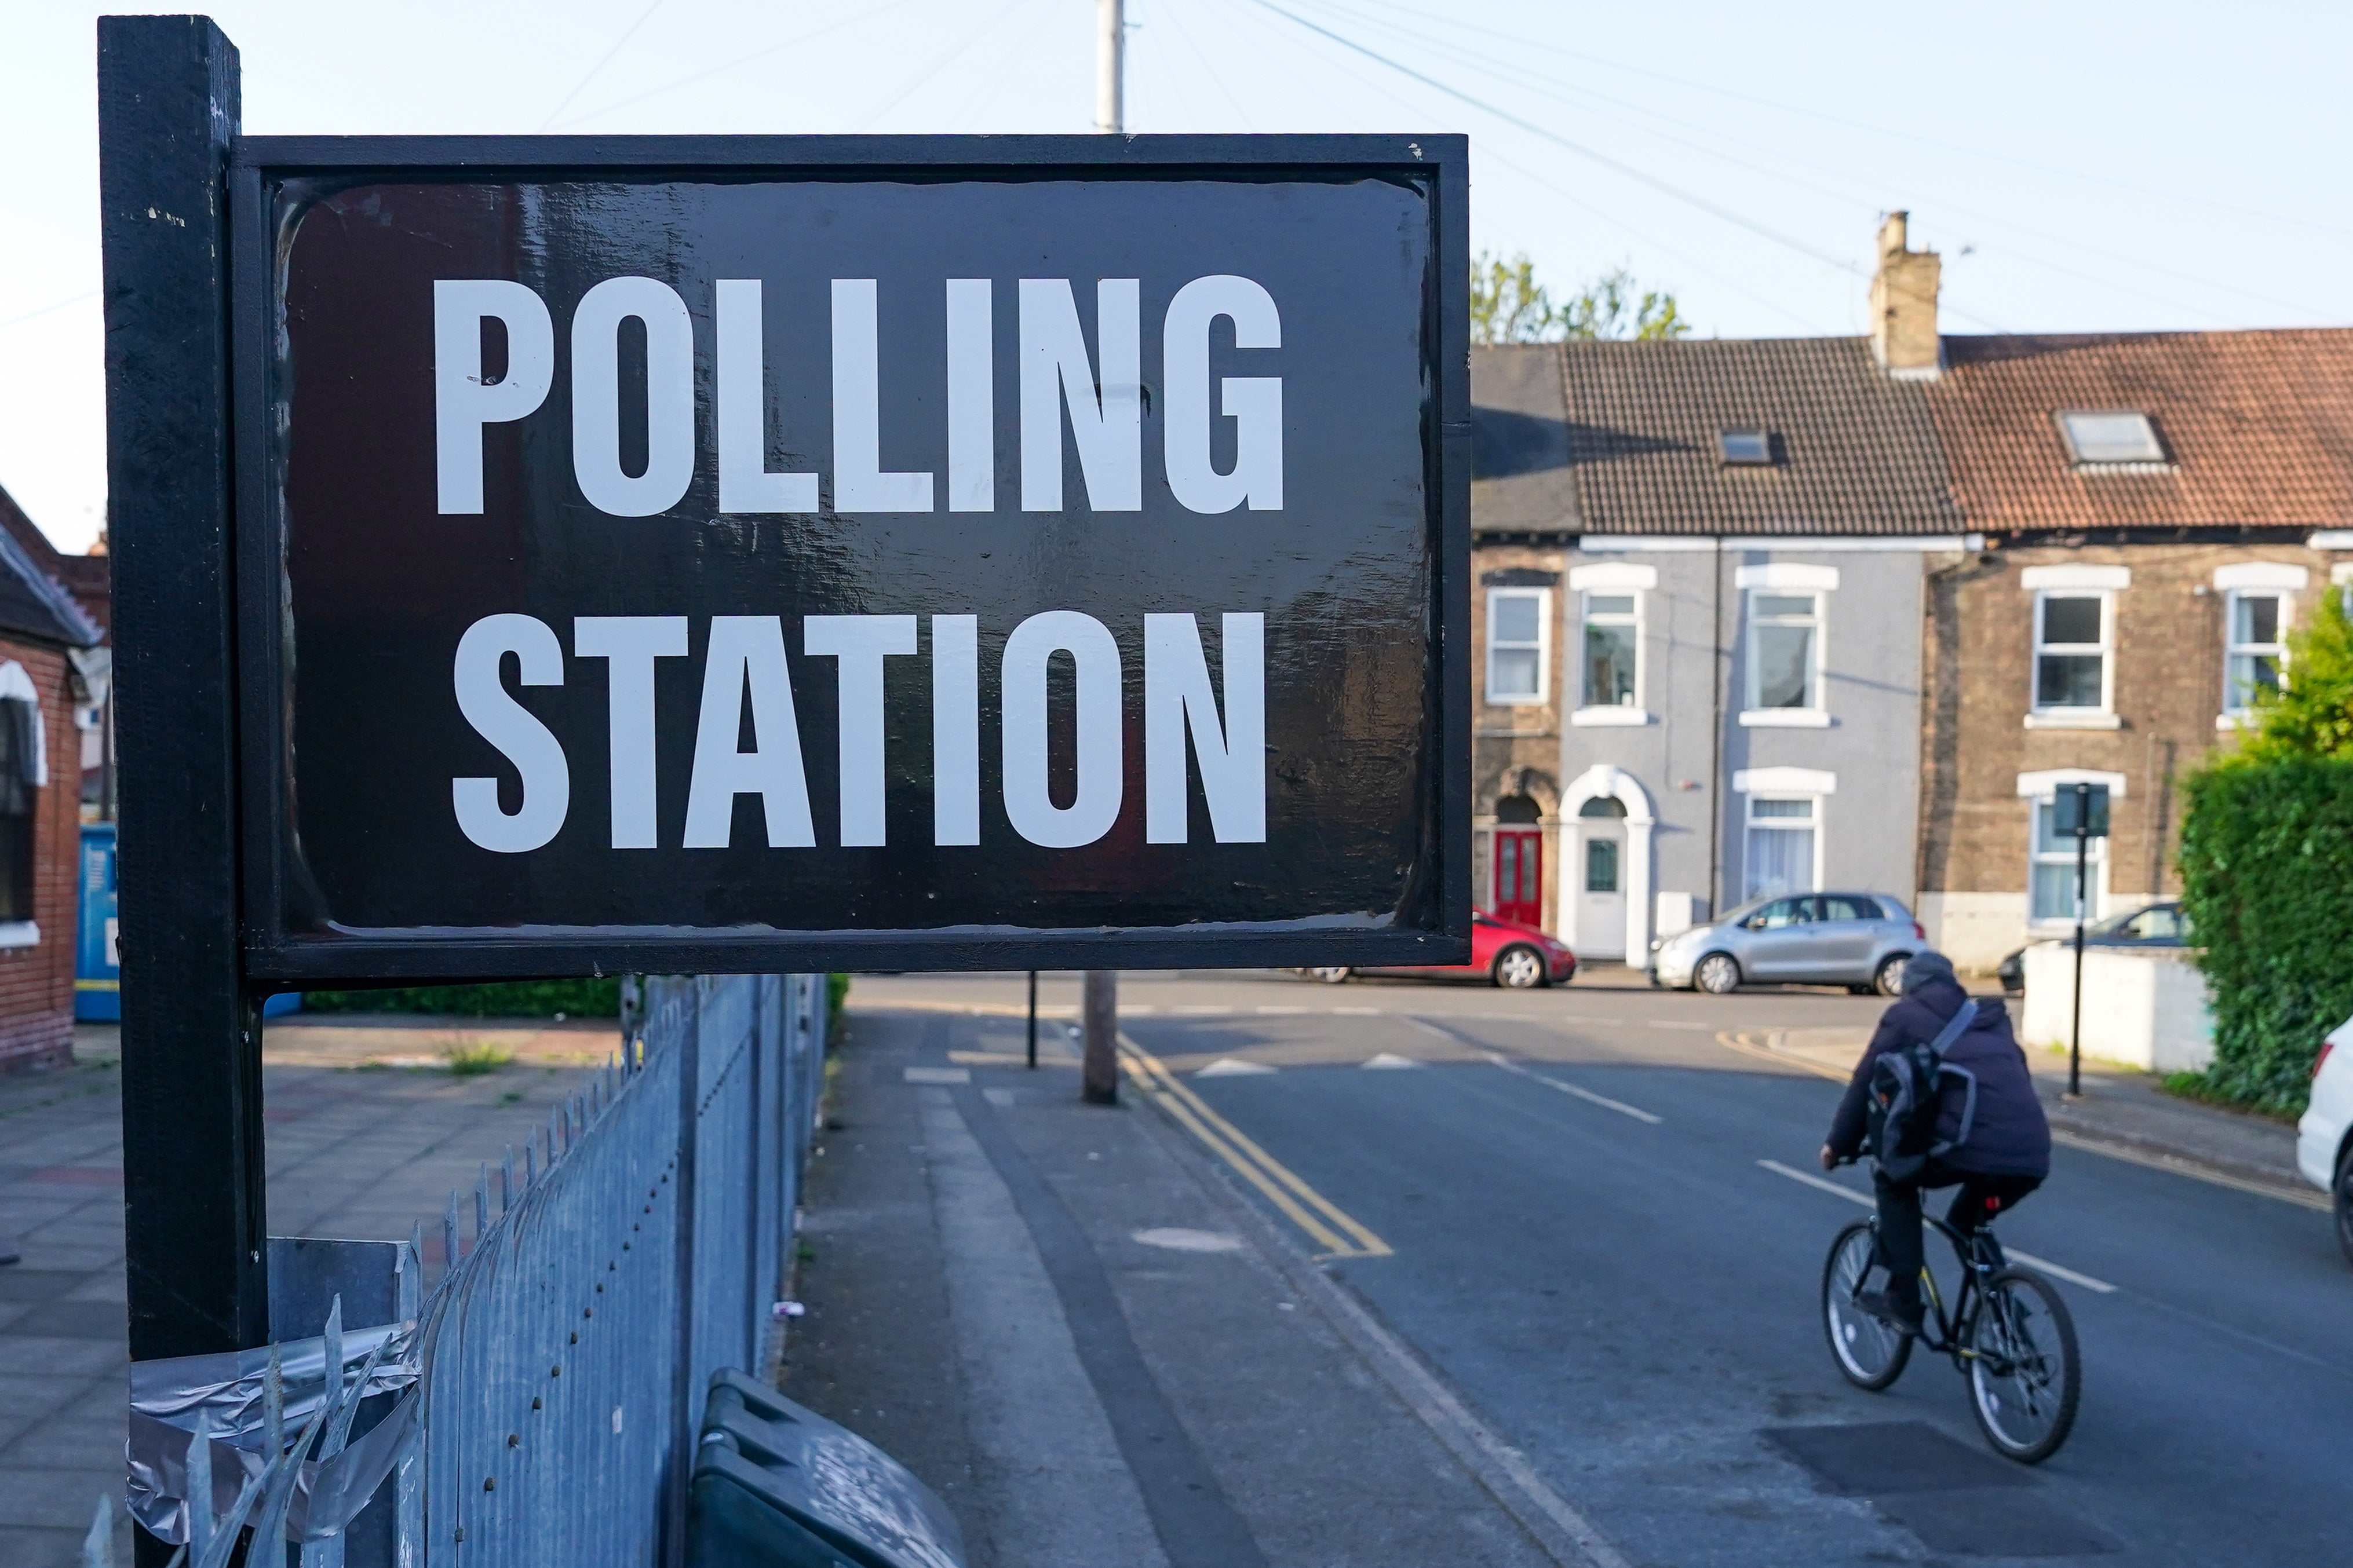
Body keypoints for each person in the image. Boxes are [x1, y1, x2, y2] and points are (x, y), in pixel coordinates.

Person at [1820, 949, 2051, 1334]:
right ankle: (2003, 1311)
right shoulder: (1989, 1020)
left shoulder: (1904, 1016)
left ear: (1910, 987)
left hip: (1971, 1150)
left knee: (1894, 1181)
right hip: (2031, 1154)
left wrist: (1837, 1144)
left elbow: (1865, 1083)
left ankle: (1904, 1302)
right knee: (1965, 1221)